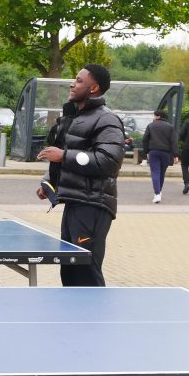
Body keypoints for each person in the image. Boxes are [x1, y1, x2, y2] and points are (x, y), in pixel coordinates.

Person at [35, 64, 125, 286]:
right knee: (70, 270)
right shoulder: (72, 117)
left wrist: (64, 155)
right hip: (75, 203)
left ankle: (95, 319)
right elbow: (63, 157)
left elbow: (109, 162)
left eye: (79, 80)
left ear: (94, 88)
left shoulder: (107, 120)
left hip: (94, 206)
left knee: (86, 270)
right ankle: (74, 319)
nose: (72, 83)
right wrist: (50, 183)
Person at [141, 110, 178, 204]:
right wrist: (175, 154)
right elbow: (173, 141)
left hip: (153, 151)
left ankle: (157, 193)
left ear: (158, 116)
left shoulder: (151, 125)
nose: (153, 117)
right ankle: (158, 193)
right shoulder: (170, 127)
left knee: (155, 172)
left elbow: (145, 139)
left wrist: (146, 152)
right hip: (166, 153)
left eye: (154, 115)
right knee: (162, 173)